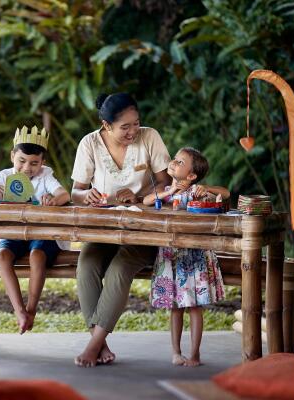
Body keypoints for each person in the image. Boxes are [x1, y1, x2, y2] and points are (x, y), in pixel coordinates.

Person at [71, 93, 171, 367]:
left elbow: (166, 184)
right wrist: (87, 195)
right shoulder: (89, 143)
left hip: (143, 229)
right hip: (103, 227)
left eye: (136, 123)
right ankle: (100, 342)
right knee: (86, 264)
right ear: (106, 125)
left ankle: (93, 346)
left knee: (120, 268)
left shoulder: (150, 137)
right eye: (124, 127)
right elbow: (75, 192)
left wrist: (140, 198)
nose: (132, 131)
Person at [0, 126, 71, 334]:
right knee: (1, 255)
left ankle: (31, 309)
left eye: (34, 163)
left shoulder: (45, 177)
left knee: (37, 256)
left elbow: (64, 194)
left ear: (42, 162)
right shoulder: (4, 177)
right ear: (12, 157)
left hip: (42, 234)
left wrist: (53, 200)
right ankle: (19, 310)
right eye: (22, 161)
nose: (27, 168)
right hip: (14, 233)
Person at [143, 147, 229, 367]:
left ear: (191, 176)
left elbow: (225, 193)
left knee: (195, 306)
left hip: (195, 255)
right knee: (175, 307)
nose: (173, 162)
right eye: (175, 159)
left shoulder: (195, 192)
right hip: (172, 254)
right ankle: (176, 352)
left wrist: (204, 189)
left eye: (180, 162)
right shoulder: (165, 191)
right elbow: (146, 201)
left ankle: (195, 354)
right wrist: (169, 192)